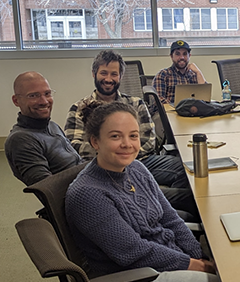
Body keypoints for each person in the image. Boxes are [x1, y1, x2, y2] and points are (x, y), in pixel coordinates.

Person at [65, 102, 227, 282]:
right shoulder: (88, 194)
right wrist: (196, 265)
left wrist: (201, 257)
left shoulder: (137, 168)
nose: (127, 144)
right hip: (139, 281)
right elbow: (134, 252)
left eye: (133, 135)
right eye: (115, 136)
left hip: (169, 261)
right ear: (95, 141)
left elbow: (171, 220)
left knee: (238, 272)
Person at [64, 50, 200, 219]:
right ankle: (143, 204)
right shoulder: (80, 108)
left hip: (142, 163)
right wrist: (115, 154)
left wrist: (123, 152)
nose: (108, 79)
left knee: (186, 169)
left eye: (114, 74)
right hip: (104, 170)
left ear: (120, 76)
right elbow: (73, 146)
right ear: (94, 74)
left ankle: (153, 204)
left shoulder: (136, 104)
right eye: (103, 73)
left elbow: (149, 141)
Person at [4, 71, 82, 186]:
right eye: (33, 96)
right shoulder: (21, 140)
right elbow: (48, 190)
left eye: (47, 93)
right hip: (79, 198)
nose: (44, 101)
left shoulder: (52, 126)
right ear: (16, 101)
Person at [153, 40, 208, 105]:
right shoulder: (163, 75)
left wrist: (198, 73)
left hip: (192, 112)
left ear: (189, 56)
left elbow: (205, 98)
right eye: (177, 54)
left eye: (185, 54)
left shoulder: (194, 75)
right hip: (170, 112)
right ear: (171, 56)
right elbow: (158, 101)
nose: (182, 57)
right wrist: (179, 108)